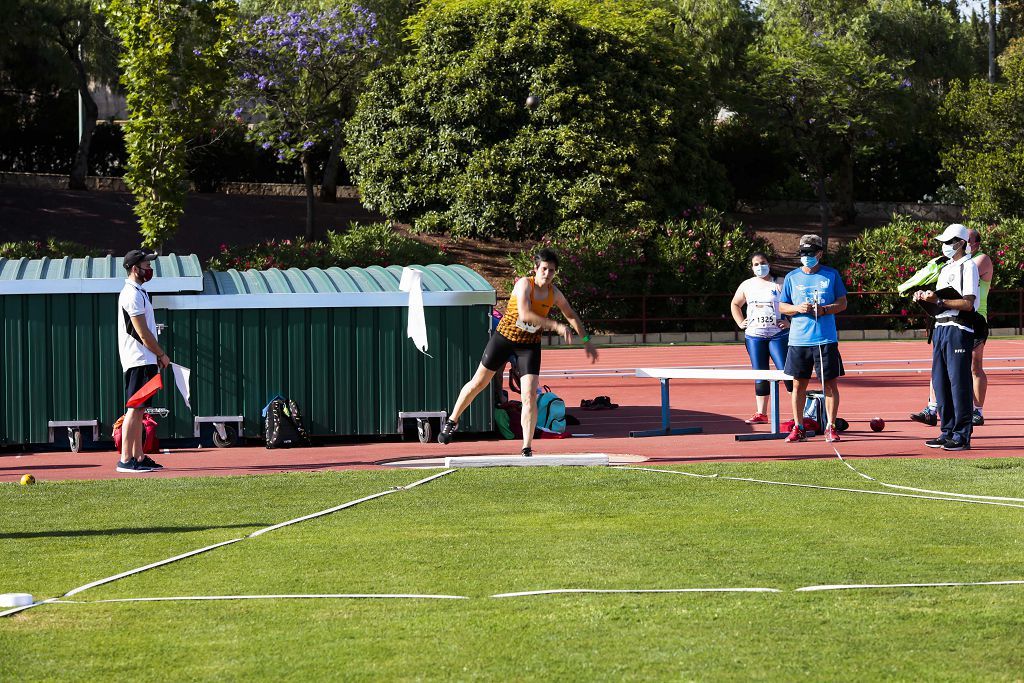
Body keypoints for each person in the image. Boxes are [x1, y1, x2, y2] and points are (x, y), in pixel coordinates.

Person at [437, 248, 598, 456]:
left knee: (529, 395)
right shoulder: (524, 284)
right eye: (544, 269)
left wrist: (586, 340)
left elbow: (570, 314)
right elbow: (525, 314)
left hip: (528, 347)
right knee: (479, 383)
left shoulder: (554, 293)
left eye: (552, 271)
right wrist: (555, 326)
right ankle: (452, 420)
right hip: (504, 340)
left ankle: (527, 447)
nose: (547, 274)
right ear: (535, 269)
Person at [907, 227, 992, 427]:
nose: (946, 246)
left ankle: (975, 412)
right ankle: (934, 411)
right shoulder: (949, 266)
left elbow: (962, 296)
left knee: (972, 368)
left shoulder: (977, 261)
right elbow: (943, 295)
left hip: (973, 320)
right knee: (941, 371)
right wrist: (925, 297)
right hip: (947, 323)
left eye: (952, 241)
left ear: (971, 243)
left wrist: (939, 297)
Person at [778, 234, 848, 443]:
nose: (806, 257)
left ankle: (830, 426)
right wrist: (797, 309)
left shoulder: (831, 275)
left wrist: (824, 309)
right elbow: (782, 306)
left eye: (810, 253)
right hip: (799, 340)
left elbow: (842, 303)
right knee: (798, 386)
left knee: (829, 385)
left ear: (819, 254)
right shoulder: (791, 277)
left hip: (824, 339)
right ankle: (798, 427)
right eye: (803, 254)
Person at [117, 249, 171, 473]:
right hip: (138, 359)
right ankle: (125, 459)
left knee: (140, 410)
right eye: (145, 265)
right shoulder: (131, 294)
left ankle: (138, 456)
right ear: (134, 268)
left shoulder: (139, 291)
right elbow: (143, 333)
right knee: (134, 407)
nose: (149, 269)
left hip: (145, 358)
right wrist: (161, 354)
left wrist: (155, 356)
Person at [730, 252, 792, 424]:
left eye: (763, 263)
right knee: (759, 373)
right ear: (751, 267)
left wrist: (789, 322)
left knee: (787, 372)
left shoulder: (780, 283)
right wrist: (741, 322)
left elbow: (795, 304)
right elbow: (735, 304)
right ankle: (761, 413)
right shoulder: (747, 285)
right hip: (754, 336)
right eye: (756, 264)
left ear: (769, 264)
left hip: (777, 335)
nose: (759, 267)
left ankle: (798, 413)